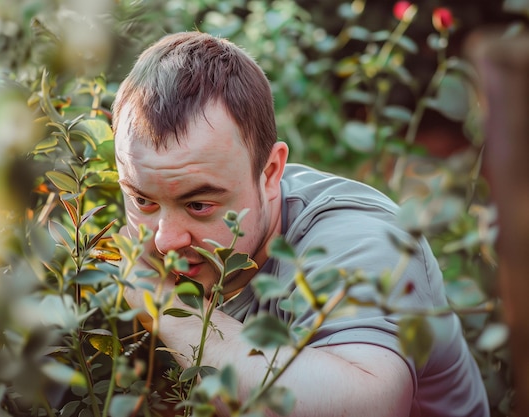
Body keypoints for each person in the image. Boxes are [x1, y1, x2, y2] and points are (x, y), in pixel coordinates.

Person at [111, 31, 489, 417]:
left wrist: (166, 306)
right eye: (143, 199)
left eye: (199, 204)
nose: (165, 241)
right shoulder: (143, 241)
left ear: (271, 172)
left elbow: (370, 407)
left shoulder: (362, 240)